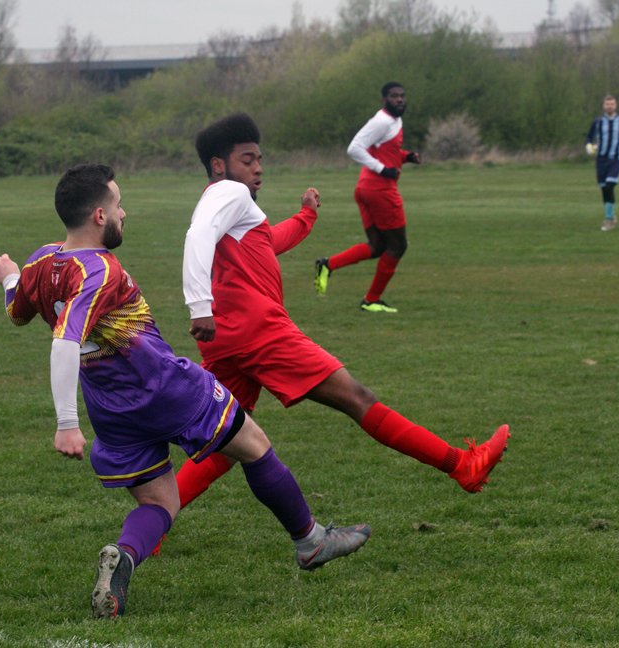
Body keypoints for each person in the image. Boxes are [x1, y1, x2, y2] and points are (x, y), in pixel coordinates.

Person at [0, 164, 370, 619]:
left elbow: (18, 313)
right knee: (254, 445)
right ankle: (311, 541)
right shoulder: (99, 271)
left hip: (110, 407)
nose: (124, 212)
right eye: (118, 205)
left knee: (160, 502)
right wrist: (66, 424)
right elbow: (65, 341)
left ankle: (125, 556)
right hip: (163, 387)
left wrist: (10, 278)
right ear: (99, 216)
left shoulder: (41, 261)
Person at [175, 113, 509, 522]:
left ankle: (151, 525)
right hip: (257, 330)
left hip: (227, 337)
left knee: (230, 442)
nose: (258, 168)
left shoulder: (231, 207)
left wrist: (306, 215)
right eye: (247, 160)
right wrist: (199, 306)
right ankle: (463, 465)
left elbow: (268, 241)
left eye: (260, 159)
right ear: (218, 165)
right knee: (357, 398)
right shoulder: (229, 192)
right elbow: (198, 234)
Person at [313, 81, 422, 313]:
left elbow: (385, 151)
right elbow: (354, 148)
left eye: (402, 96)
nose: (399, 100)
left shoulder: (395, 121)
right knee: (398, 246)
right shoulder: (381, 121)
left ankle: (328, 265)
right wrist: (382, 169)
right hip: (380, 191)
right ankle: (371, 300)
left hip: (366, 189)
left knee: (378, 246)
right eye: (394, 96)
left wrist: (405, 157)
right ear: (384, 100)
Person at [585, 94, 619, 231]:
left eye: (612, 104)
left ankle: (608, 220)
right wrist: (589, 146)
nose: (610, 106)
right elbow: (589, 137)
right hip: (601, 160)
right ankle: (611, 215)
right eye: (607, 104)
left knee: (609, 186)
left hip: (616, 159)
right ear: (603, 106)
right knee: (604, 189)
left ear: (616, 105)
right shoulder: (598, 121)